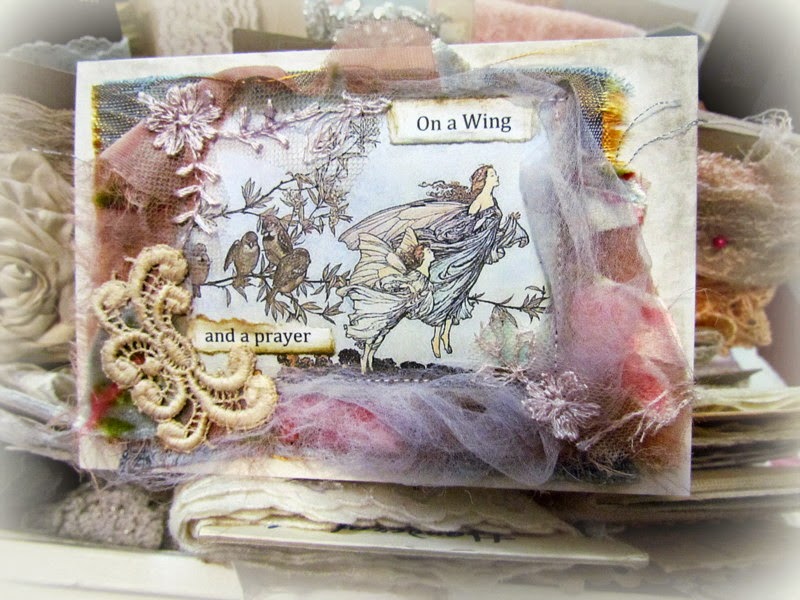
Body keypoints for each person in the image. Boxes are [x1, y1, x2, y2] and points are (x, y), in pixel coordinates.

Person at [340, 165, 528, 359]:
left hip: (477, 255)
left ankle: (445, 333)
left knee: (461, 290)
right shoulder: (480, 201)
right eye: (492, 174)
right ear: (484, 180)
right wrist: (452, 242)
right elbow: (465, 225)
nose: (497, 176)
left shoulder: (492, 200)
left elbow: (490, 231)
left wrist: (510, 224)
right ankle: (437, 335)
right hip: (467, 251)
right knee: (449, 287)